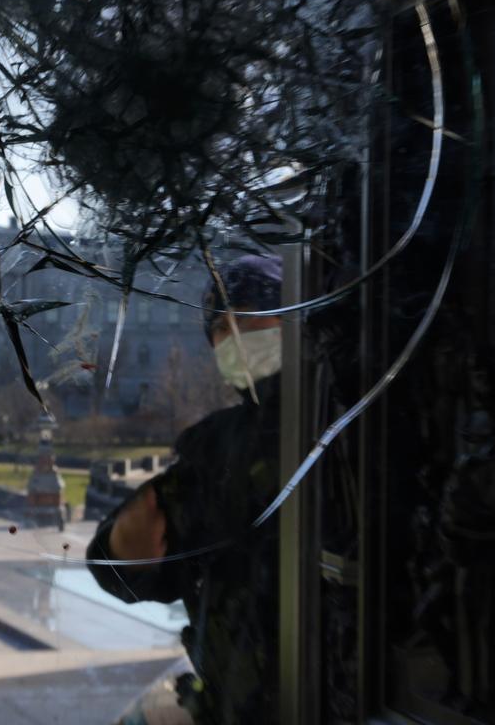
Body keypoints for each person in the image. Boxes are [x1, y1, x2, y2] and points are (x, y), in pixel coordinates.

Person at [87, 254, 284, 725]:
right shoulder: (217, 448)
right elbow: (133, 561)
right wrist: (122, 545)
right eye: (221, 330)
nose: (236, 338)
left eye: (252, 318)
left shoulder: (342, 420)